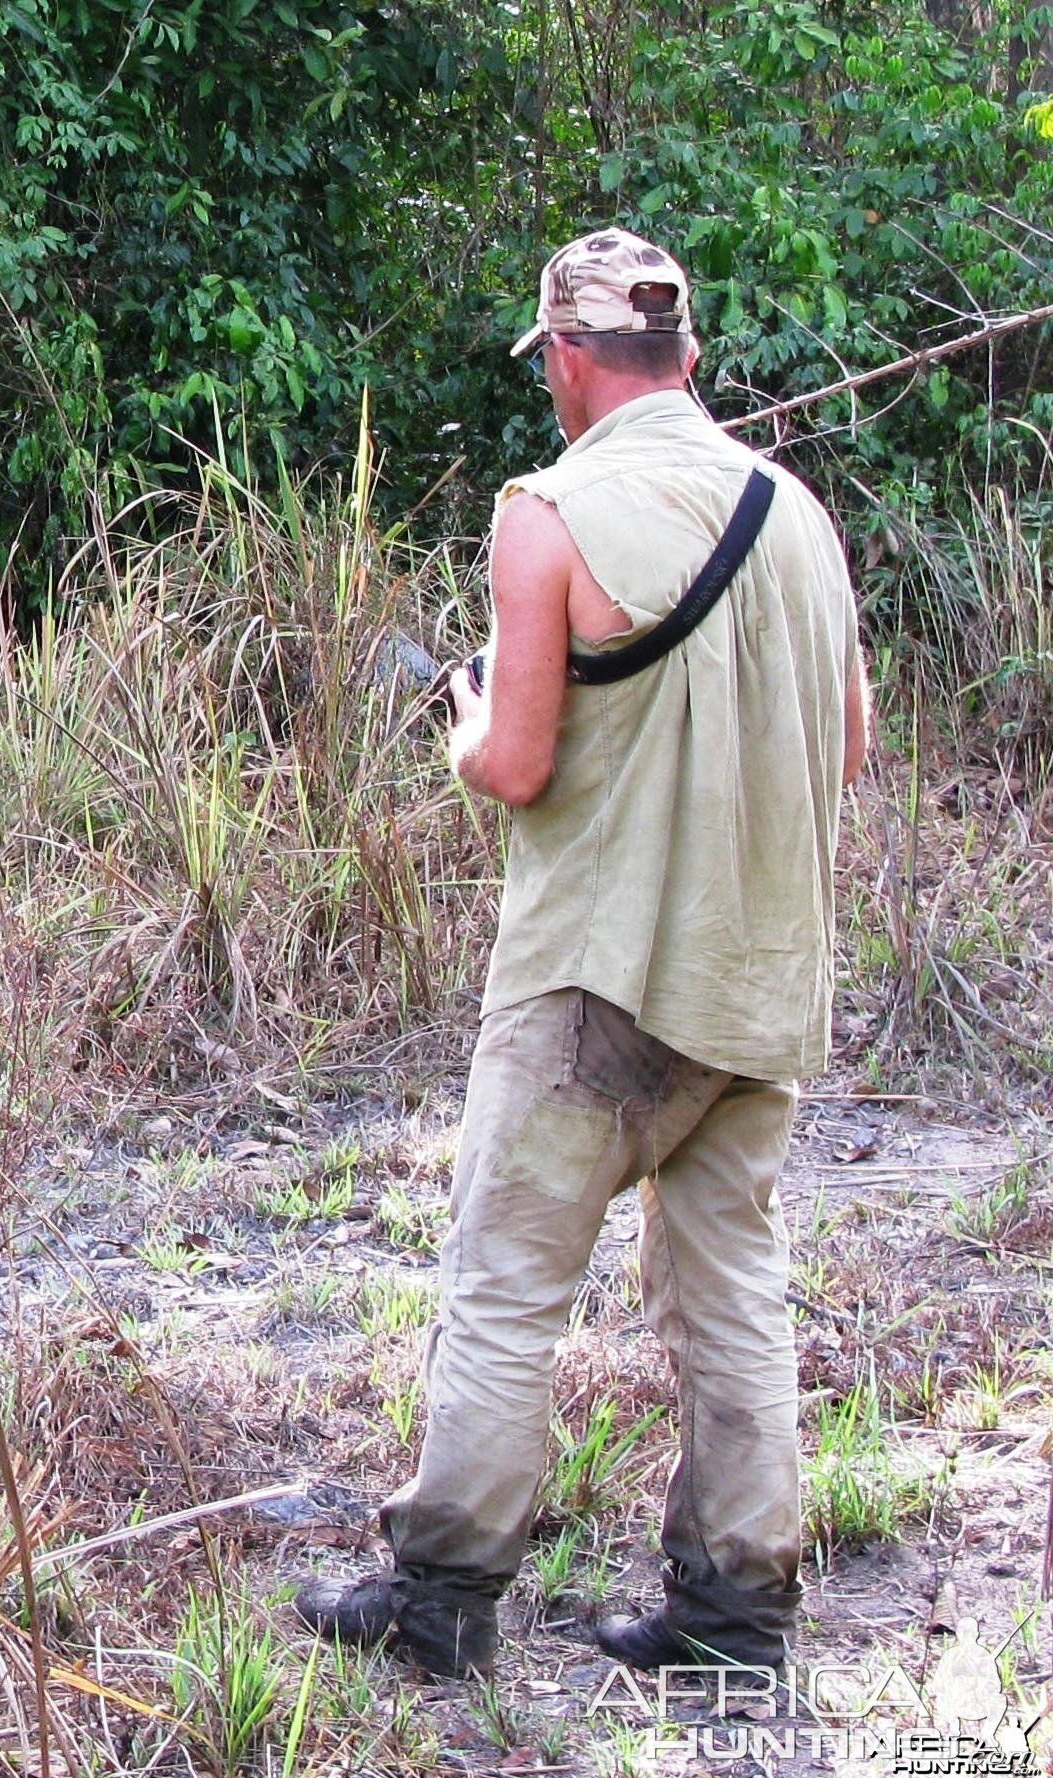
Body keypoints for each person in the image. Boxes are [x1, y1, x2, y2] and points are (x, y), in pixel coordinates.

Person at [295, 228, 871, 1677]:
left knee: (504, 1281)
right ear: (685, 357)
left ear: (563, 358)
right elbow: (847, 743)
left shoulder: (545, 512)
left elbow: (523, 763)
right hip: (756, 990)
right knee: (733, 1285)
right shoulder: (797, 514)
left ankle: (441, 1601)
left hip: (599, 987)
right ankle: (737, 1615)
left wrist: (465, 724)